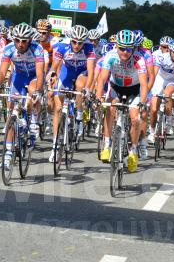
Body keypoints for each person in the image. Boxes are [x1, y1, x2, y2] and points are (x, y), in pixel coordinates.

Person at [0, 23, 45, 170]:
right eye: (17, 40)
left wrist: (39, 91)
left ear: (29, 40)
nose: (20, 44)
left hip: (34, 77)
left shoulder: (37, 49)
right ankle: (8, 154)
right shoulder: (9, 49)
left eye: (24, 41)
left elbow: (40, 74)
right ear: (13, 39)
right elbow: (2, 72)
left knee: (33, 92)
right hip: (19, 77)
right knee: (12, 114)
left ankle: (34, 122)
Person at [94, 29, 149, 172]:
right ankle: (107, 145)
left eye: (128, 49)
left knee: (135, 119)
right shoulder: (110, 56)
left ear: (133, 48)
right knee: (110, 109)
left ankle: (133, 151)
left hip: (134, 90)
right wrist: (98, 98)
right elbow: (102, 79)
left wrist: (143, 102)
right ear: (116, 46)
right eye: (121, 48)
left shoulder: (139, 60)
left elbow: (144, 84)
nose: (125, 52)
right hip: (116, 88)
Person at [48, 25, 96, 163]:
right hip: (67, 72)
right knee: (58, 108)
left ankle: (79, 117)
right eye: (74, 42)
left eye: (80, 42)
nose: (77, 45)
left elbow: (91, 72)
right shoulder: (62, 46)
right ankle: (55, 146)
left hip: (82, 72)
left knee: (80, 86)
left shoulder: (89, 48)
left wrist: (88, 88)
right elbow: (55, 66)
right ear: (70, 40)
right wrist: (51, 75)